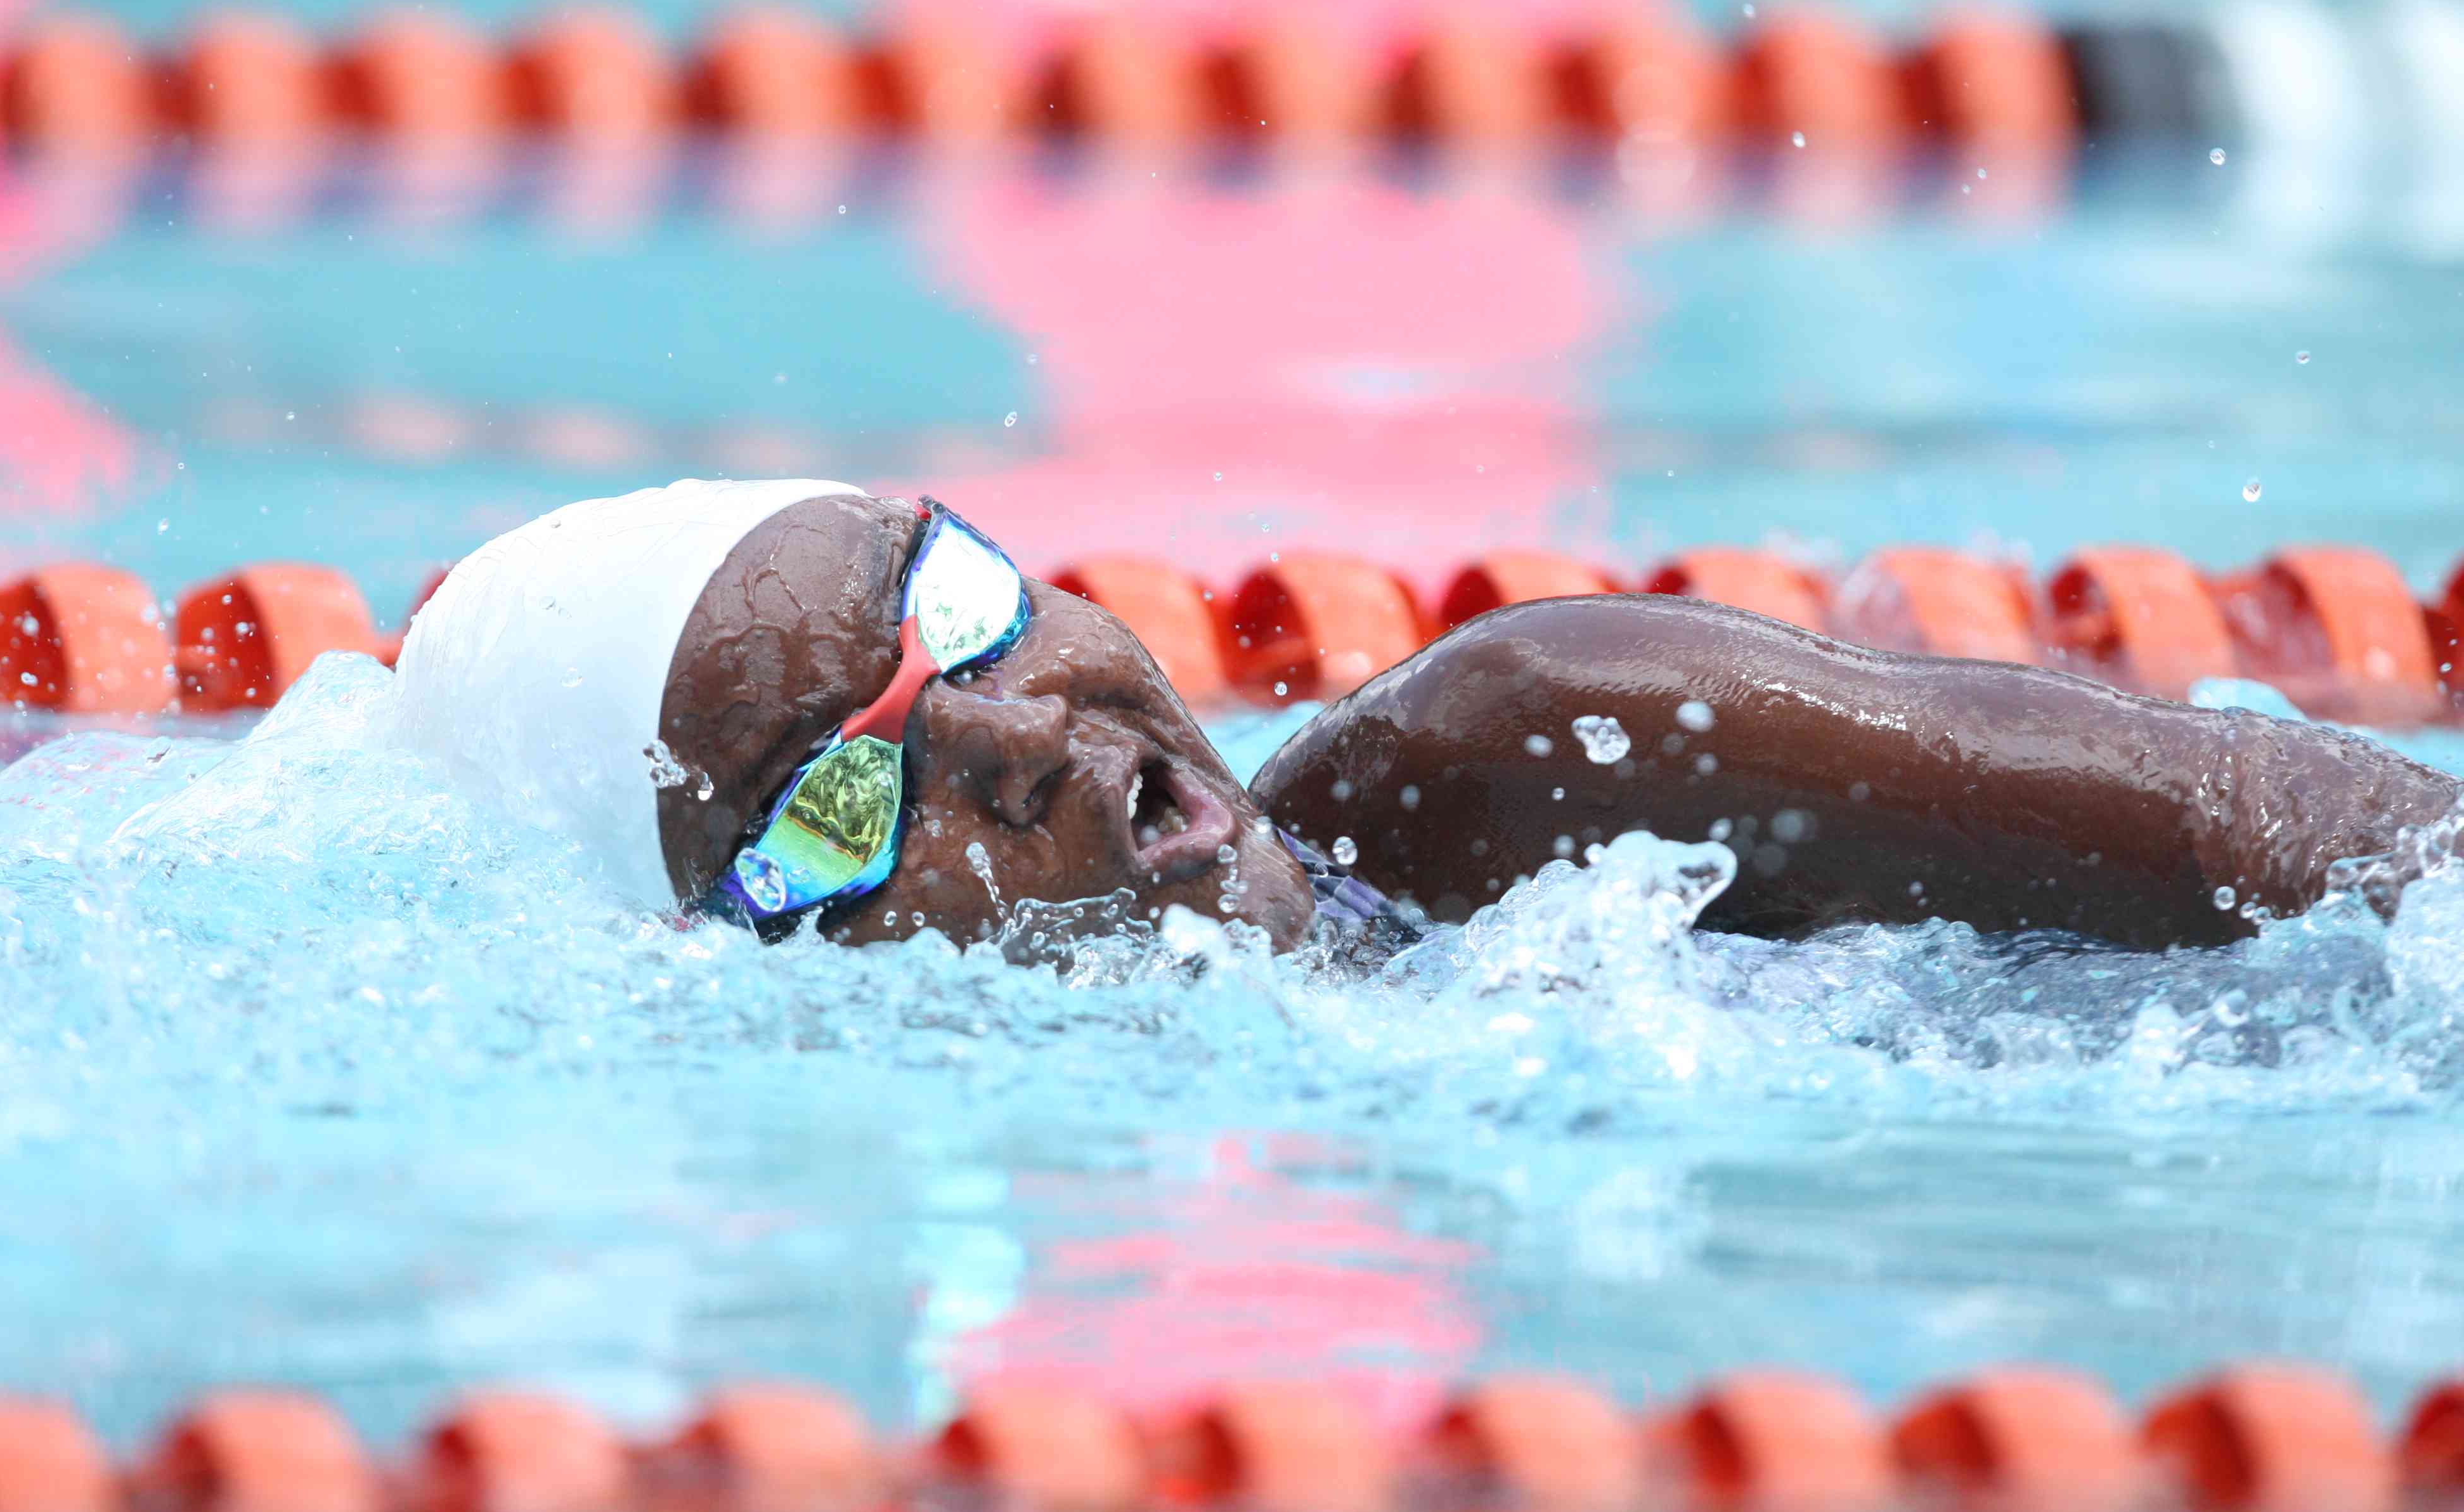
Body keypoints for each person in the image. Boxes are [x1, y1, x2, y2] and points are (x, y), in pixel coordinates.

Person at [394, 479, 2461, 955]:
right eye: (839, 795)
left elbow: (2382, 864)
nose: (1014, 738)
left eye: (960, 615)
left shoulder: (1562, 753)